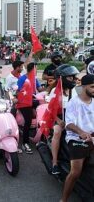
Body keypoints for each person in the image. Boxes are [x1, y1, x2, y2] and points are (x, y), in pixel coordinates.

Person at [61, 74, 94, 202]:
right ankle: (63, 199)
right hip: (76, 138)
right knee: (75, 172)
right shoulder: (74, 102)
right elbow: (68, 124)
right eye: (92, 87)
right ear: (84, 86)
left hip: (92, 136)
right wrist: (81, 132)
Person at [48, 64, 79, 175]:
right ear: (62, 78)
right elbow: (50, 110)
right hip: (58, 117)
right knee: (57, 132)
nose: (74, 79)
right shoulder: (55, 92)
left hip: (71, 117)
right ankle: (55, 163)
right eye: (71, 77)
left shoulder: (74, 90)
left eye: (74, 77)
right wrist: (58, 120)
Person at [17, 62, 44, 154]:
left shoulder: (35, 79)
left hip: (34, 100)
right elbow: (19, 92)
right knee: (28, 120)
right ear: (32, 69)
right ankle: (25, 143)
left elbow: (40, 90)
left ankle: (41, 136)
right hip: (24, 102)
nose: (36, 71)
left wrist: (51, 87)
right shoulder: (22, 79)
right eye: (36, 68)